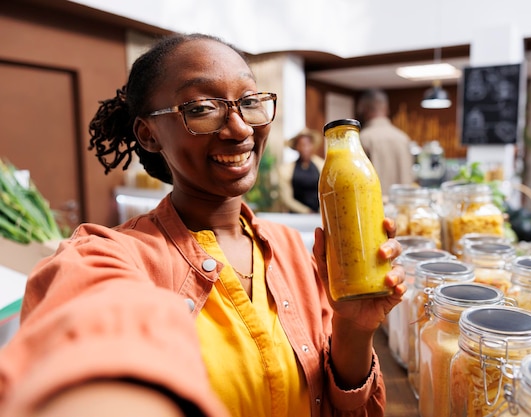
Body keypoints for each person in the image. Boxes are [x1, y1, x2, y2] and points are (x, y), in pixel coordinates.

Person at [0, 33, 406, 417]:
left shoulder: (289, 249)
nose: (241, 128)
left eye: (250, 101)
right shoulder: (109, 255)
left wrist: (353, 326)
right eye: (201, 109)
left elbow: (342, 404)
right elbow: (91, 333)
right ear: (148, 133)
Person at [356, 88, 415, 198]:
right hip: (404, 206)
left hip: (377, 205)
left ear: (364, 109)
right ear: (386, 109)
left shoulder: (363, 138)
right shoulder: (403, 137)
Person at [278, 128, 324, 213]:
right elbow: (287, 199)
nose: (305, 148)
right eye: (302, 144)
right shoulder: (286, 170)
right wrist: (306, 211)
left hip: (319, 215)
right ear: (296, 147)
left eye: (308, 144)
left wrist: (320, 211)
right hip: (296, 216)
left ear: (312, 146)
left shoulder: (322, 165)